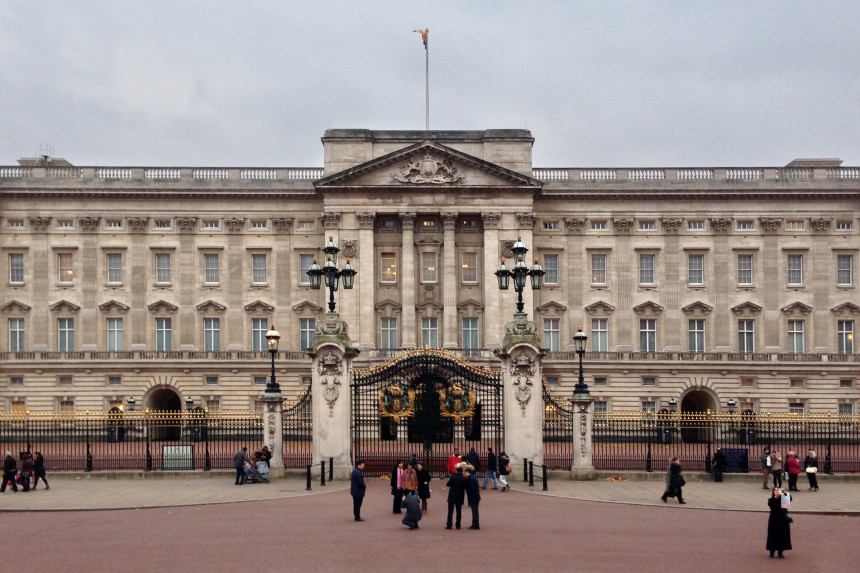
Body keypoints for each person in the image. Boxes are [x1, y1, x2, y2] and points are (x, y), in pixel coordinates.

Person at [766, 486, 792, 558]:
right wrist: (776, 497)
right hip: (774, 519)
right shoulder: (771, 499)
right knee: (773, 535)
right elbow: (771, 505)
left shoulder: (783, 498)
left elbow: (790, 499)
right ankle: (772, 552)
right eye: (775, 490)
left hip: (783, 519)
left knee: (782, 535)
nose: (776, 492)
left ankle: (780, 552)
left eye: (778, 490)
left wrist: (785, 493)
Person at [445, 462, 467, 530]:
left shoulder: (453, 477)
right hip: (460, 495)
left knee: (450, 511)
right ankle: (458, 525)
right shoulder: (464, 478)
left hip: (452, 495)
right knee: (459, 511)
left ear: (456, 471)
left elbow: (447, 484)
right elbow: (465, 486)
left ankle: (449, 524)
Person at [464, 465, 481, 530]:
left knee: (475, 512)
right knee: (475, 511)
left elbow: (471, 489)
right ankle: (474, 524)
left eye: (465, 473)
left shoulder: (471, 479)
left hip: (474, 497)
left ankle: (475, 525)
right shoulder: (472, 478)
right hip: (475, 497)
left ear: (468, 472)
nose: (465, 474)